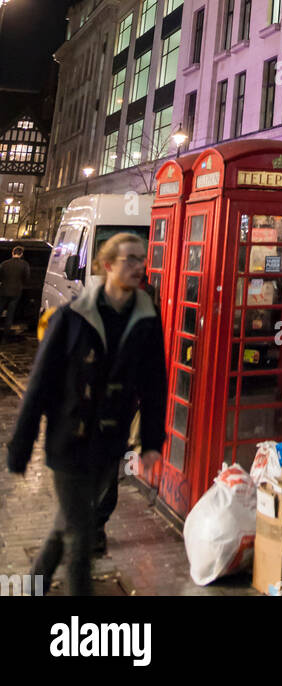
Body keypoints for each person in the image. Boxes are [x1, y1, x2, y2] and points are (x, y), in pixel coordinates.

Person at [6, 232, 167, 595]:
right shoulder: (72, 316)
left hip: (109, 443)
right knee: (81, 538)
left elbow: (155, 384)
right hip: (68, 440)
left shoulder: (146, 318)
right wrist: (21, 445)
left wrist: (152, 440)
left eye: (141, 259)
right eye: (129, 259)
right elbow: (39, 384)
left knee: (65, 526)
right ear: (107, 266)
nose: (138, 266)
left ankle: (33, 585)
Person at [0, 245, 31, 343]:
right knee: (10, 313)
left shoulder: (4, 264)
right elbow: (27, 277)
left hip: (3, 290)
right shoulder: (24, 264)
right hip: (16, 291)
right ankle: (5, 336)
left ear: (12, 253)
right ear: (21, 254)